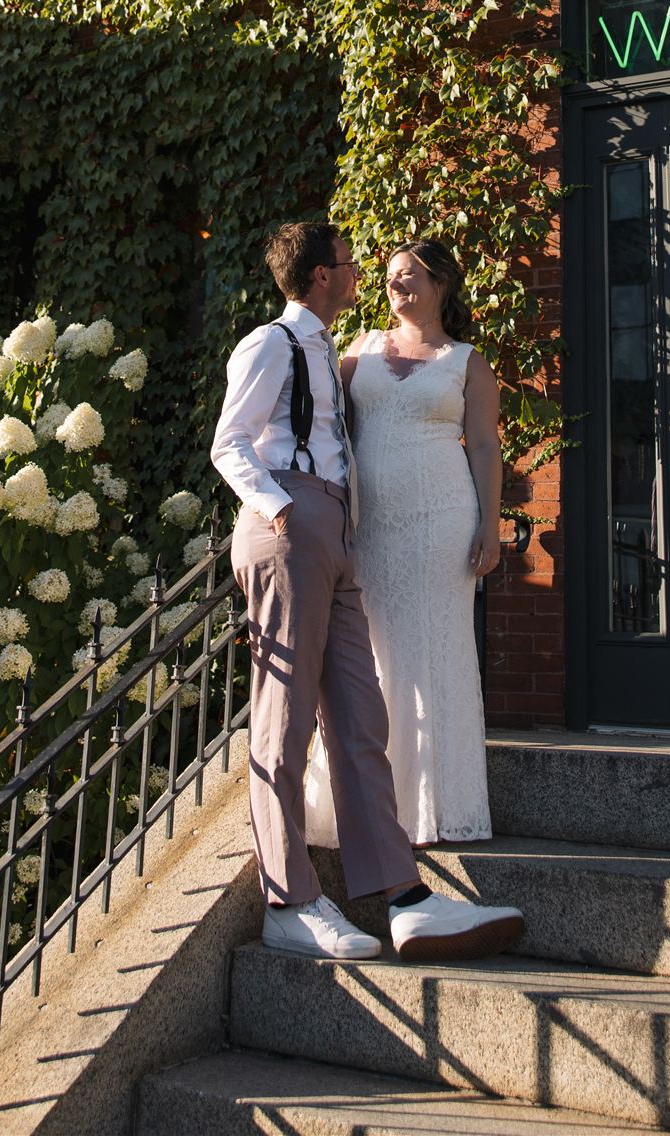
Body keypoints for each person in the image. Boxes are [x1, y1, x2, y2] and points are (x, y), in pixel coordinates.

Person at [210, 219, 524, 963]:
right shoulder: (272, 343)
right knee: (282, 724)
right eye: (351, 264)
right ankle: (289, 901)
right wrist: (282, 508)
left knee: (359, 715)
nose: (364, 277)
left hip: (337, 531)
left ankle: (404, 898)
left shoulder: (327, 350)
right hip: (291, 522)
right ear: (321, 275)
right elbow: (229, 441)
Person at [305, 238, 497, 849]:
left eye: (410, 275)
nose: (396, 286)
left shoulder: (467, 361)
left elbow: (486, 448)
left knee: (435, 653)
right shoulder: (358, 350)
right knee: (371, 656)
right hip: (371, 526)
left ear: (441, 282)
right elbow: (325, 424)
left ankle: (435, 809)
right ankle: (360, 806)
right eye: (389, 277)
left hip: (442, 523)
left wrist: (489, 525)